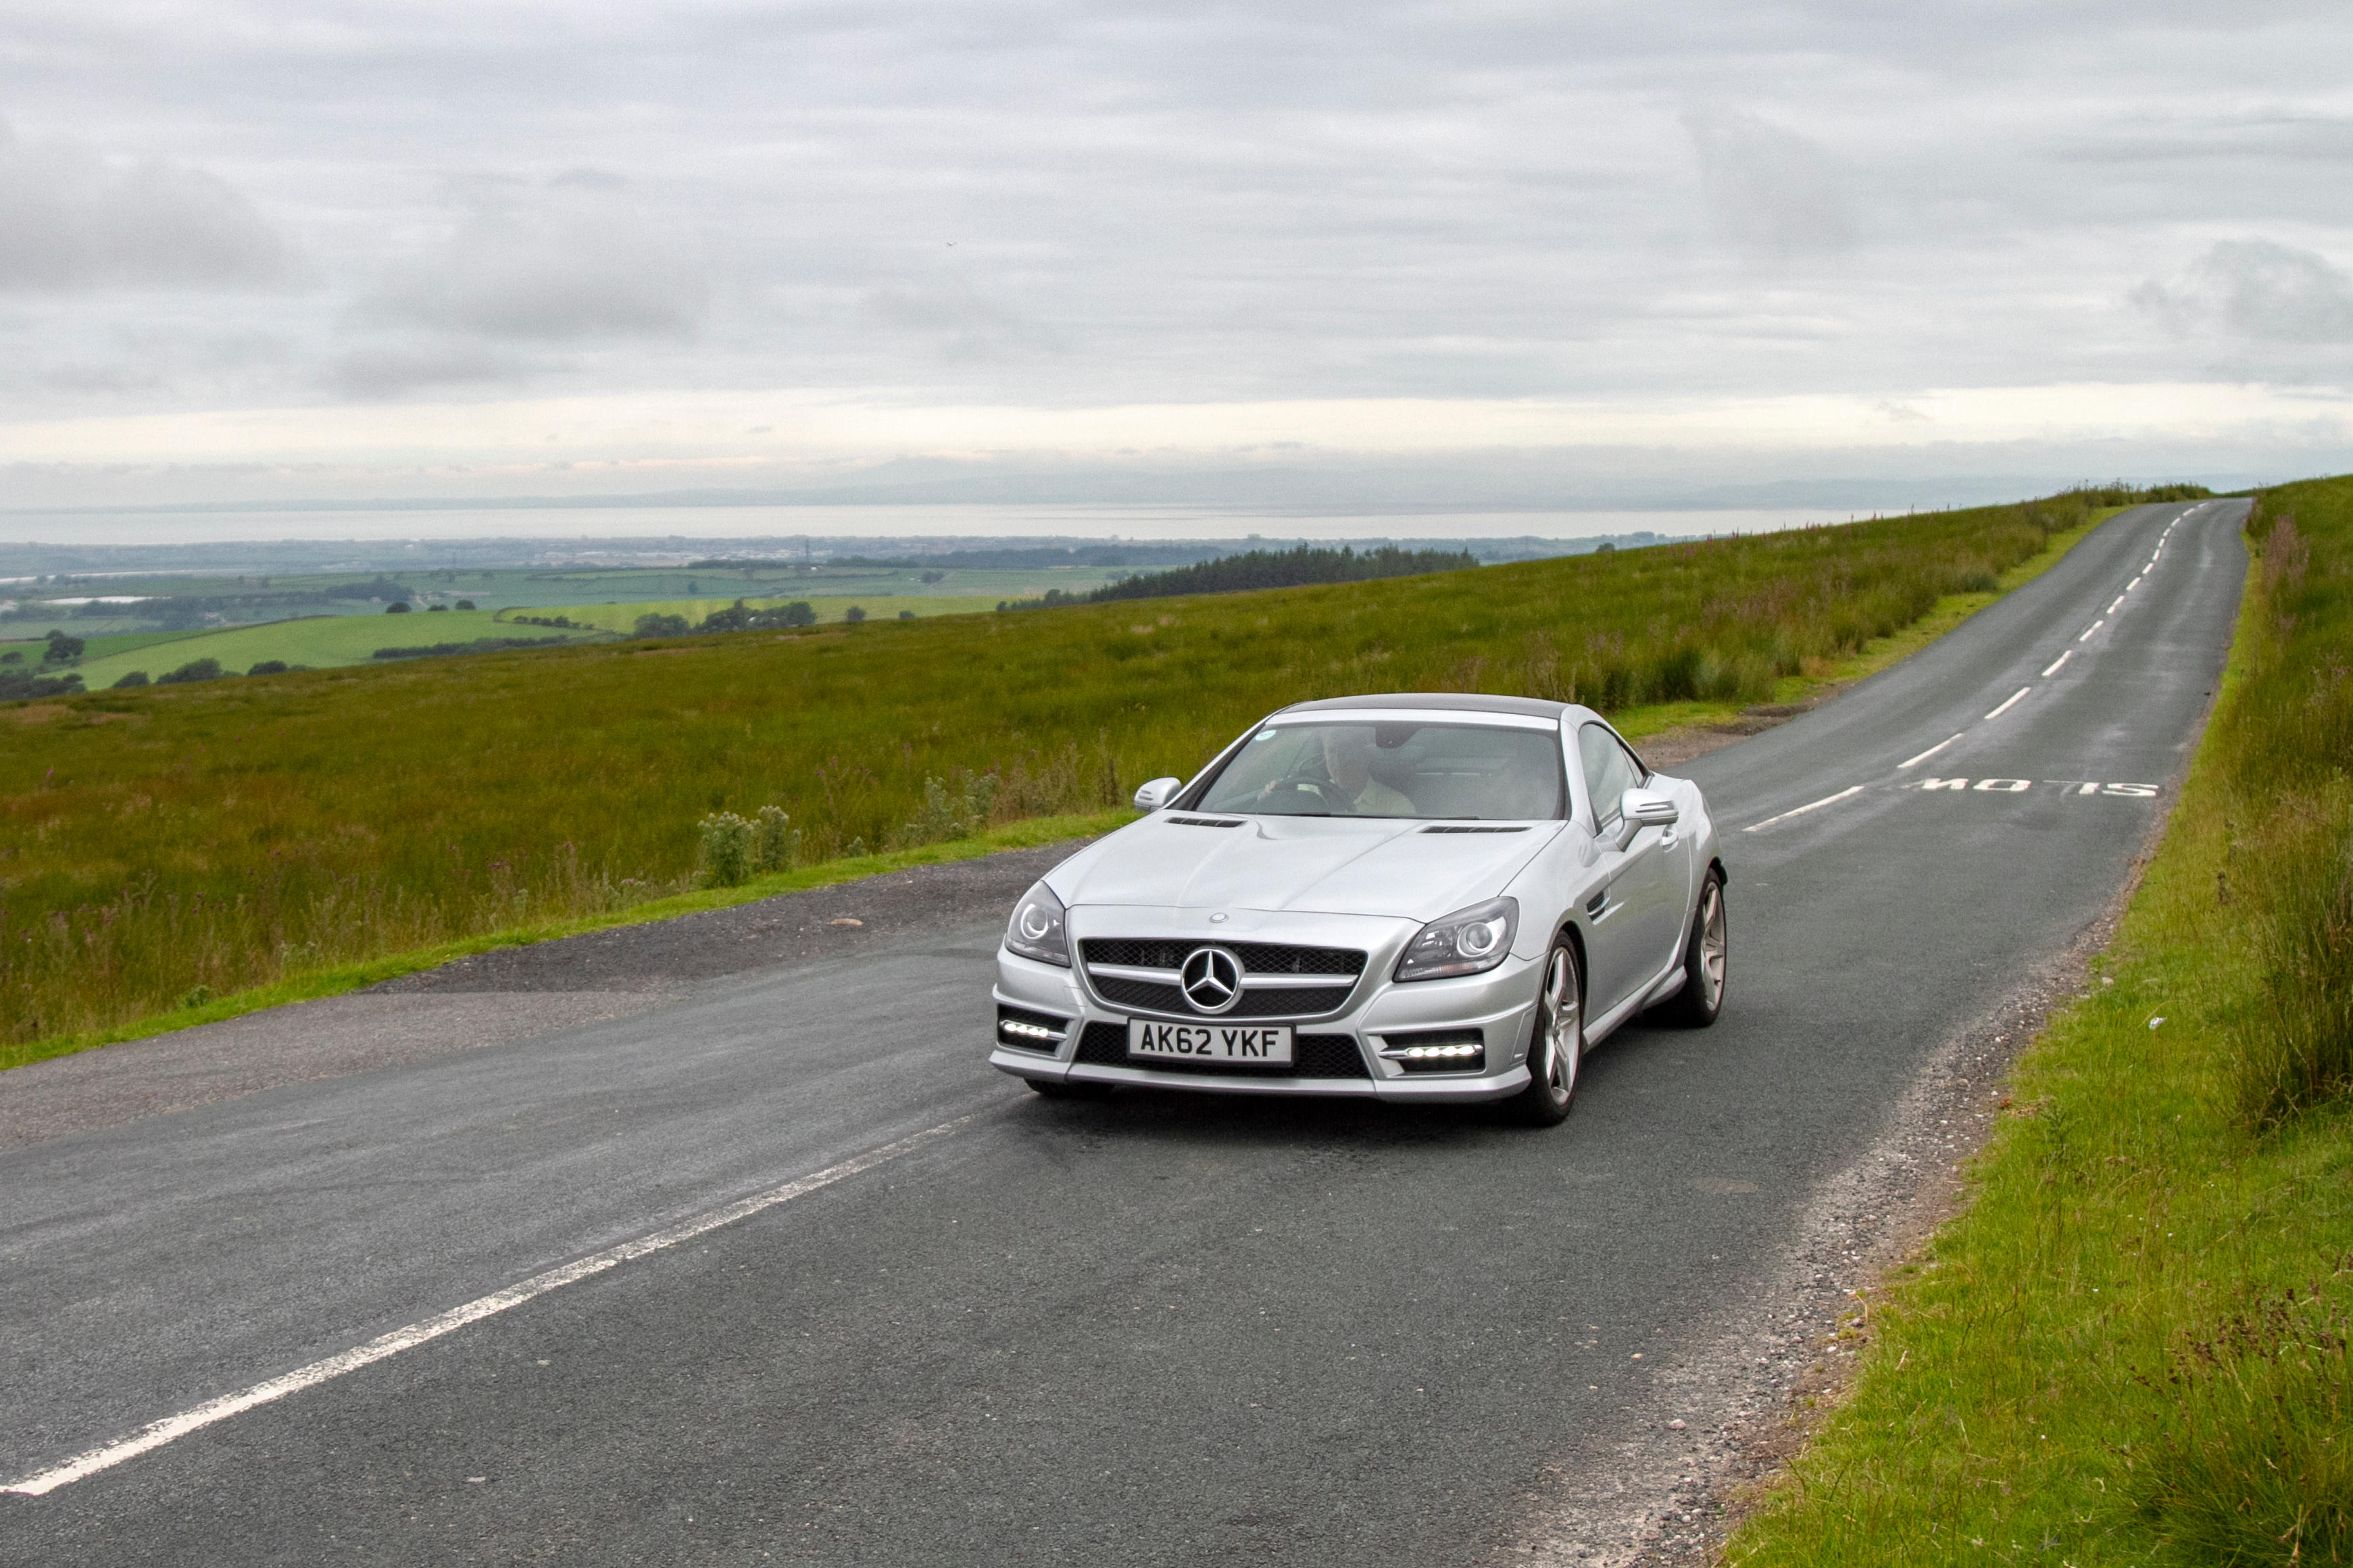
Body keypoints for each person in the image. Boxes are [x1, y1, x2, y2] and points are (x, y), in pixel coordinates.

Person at [1319, 727, 1414, 815]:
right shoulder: (1315, 797)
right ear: (1325, 758)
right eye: (1331, 751)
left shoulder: (1396, 806)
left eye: (1345, 750)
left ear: (1365, 757)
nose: (1338, 760)